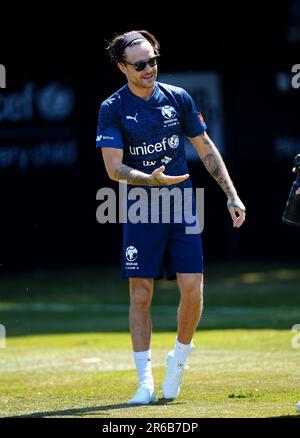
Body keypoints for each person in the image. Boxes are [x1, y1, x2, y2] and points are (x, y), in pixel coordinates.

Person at [96, 30, 246, 405]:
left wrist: (231, 194)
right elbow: (114, 168)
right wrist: (151, 180)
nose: (150, 69)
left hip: (182, 202)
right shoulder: (111, 108)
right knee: (141, 292)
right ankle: (144, 383)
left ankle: (179, 359)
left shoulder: (177, 97)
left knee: (193, 287)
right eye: (140, 64)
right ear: (122, 67)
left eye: (153, 60)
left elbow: (206, 148)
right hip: (140, 206)